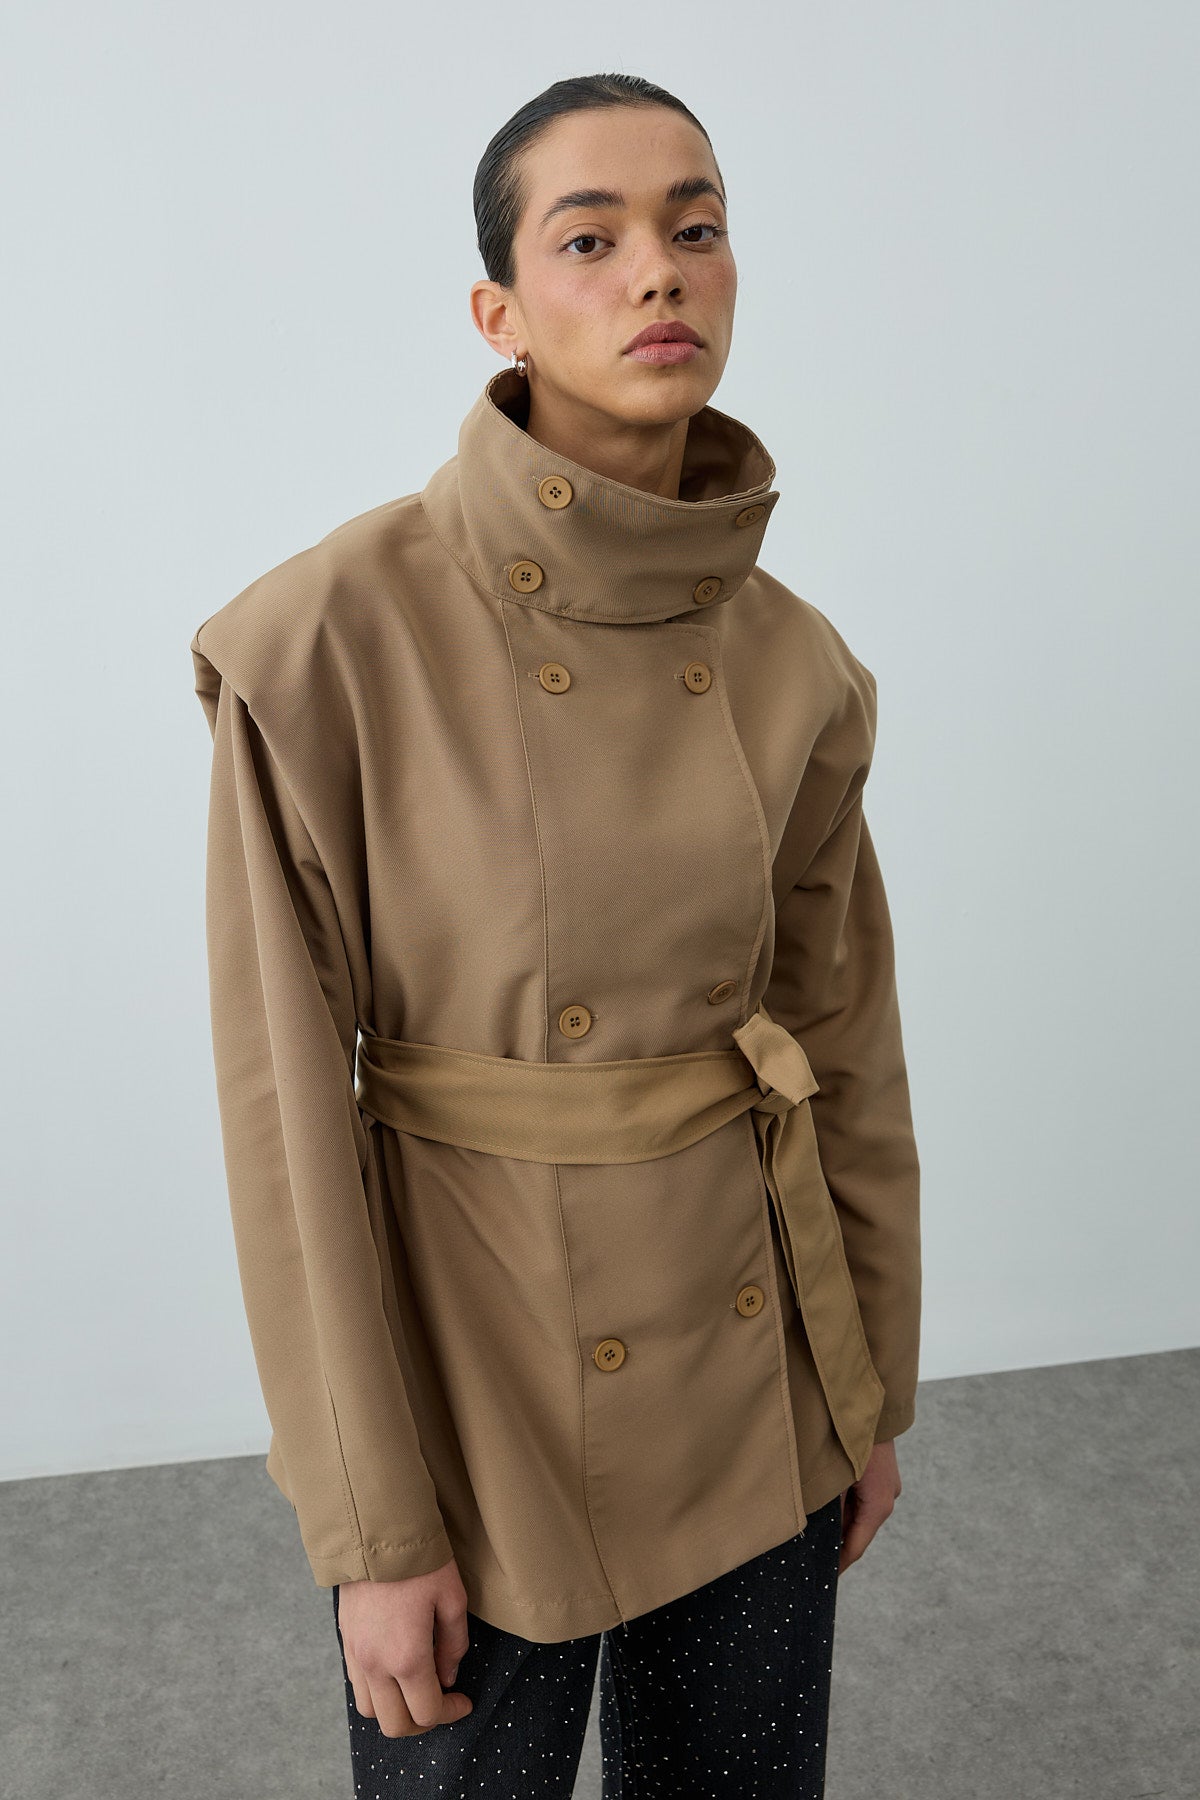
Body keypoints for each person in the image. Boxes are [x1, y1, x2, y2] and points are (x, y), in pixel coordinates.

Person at [190, 70, 921, 1800]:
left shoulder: (797, 662)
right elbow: (289, 1126)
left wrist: (865, 1396)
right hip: (476, 1394)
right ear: (499, 314)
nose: (659, 270)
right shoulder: (326, 642)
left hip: (754, 1382)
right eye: (590, 240)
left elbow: (844, 1051)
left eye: (697, 226)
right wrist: (372, 1529)